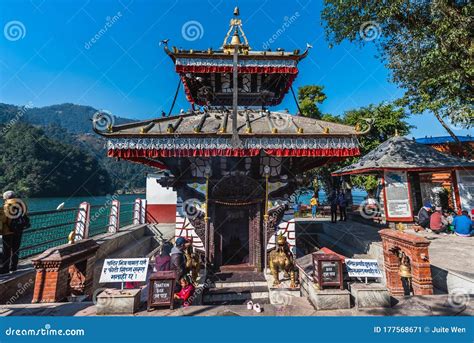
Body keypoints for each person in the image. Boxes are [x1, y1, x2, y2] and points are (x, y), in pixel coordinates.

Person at [0, 191, 30, 274]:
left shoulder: (7, 205)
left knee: (6, 250)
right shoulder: (21, 204)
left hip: (8, 231)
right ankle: (13, 267)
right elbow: (26, 214)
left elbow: (4, 219)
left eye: (4, 198)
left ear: (6, 198)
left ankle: (5, 268)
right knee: (16, 248)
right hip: (19, 229)